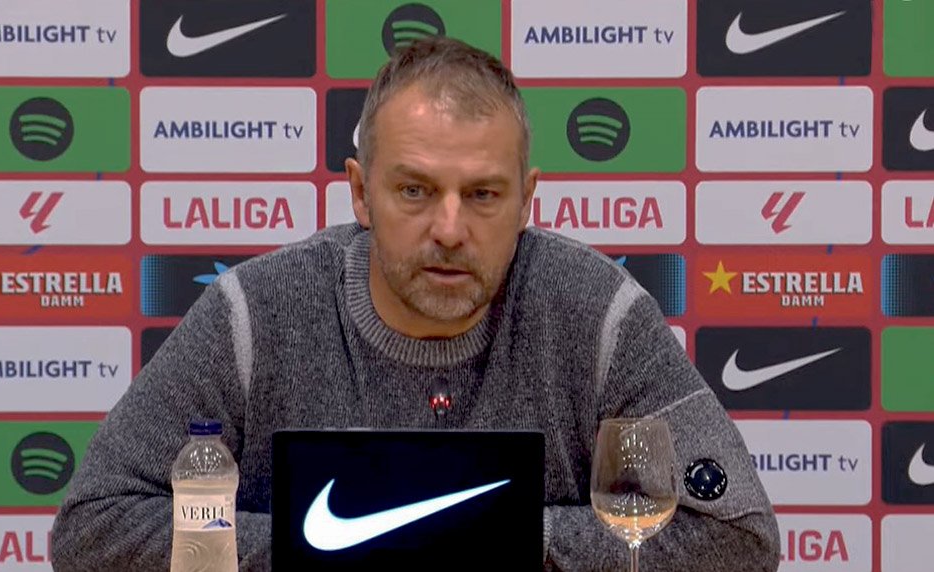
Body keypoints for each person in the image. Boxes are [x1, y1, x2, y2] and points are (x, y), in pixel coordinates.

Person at [50, 36, 780, 571]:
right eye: (414, 190)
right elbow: (93, 527)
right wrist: (328, 542)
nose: (450, 229)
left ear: (528, 201)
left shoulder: (597, 314)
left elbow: (739, 535)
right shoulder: (253, 314)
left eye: (484, 194)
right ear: (360, 192)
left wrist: (472, 531)